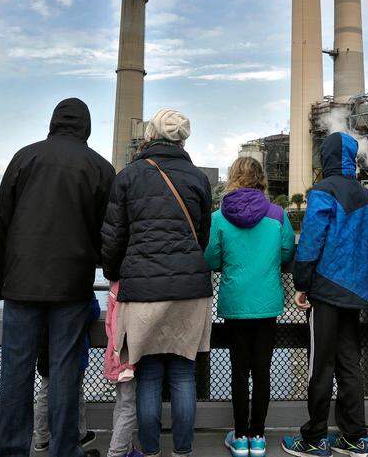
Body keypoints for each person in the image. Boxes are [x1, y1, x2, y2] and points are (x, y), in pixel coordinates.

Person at [0, 98, 114, 457]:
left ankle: (10, 450)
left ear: (53, 122)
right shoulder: (99, 167)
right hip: (72, 286)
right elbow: (108, 233)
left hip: (21, 285)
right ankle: (64, 448)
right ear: (87, 127)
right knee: (65, 374)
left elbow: (2, 223)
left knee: (16, 372)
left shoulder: (24, 157)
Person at [101, 109, 213, 457]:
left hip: (143, 289)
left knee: (147, 374)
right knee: (183, 374)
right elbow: (203, 238)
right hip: (190, 290)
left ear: (150, 135)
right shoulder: (197, 178)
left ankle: (149, 450)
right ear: (183, 139)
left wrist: (114, 271)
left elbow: (114, 237)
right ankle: (182, 450)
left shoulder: (130, 176)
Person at [282, 133, 368, 457]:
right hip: (356, 292)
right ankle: (356, 437)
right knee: (349, 364)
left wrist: (301, 283)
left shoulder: (323, 191)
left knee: (320, 366)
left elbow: (311, 241)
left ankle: (314, 438)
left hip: (325, 289)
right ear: (352, 158)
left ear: (325, 158)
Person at [205, 157, 296, 457]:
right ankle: (258, 436)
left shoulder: (219, 217)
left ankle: (240, 436)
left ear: (233, 177)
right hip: (267, 303)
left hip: (235, 303)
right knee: (263, 372)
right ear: (261, 179)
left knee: (238, 371)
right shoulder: (278, 214)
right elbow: (286, 253)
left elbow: (211, 259)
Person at [33, 296, 100, 453]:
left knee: (45, 390)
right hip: (74, 347)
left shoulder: (43, 285)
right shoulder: (78, 281)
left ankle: (42, 437)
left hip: (47, 346)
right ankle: (79, 434)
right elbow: (93, 311)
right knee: (75, 391)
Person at [101, 280, 142, 457]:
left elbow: (110, 325)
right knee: (128, 407)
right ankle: (116, 452)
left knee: (121, 403)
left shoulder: (114, 287)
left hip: (115, 354)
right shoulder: (131, 287)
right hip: (126, 357)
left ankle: (126, 449)